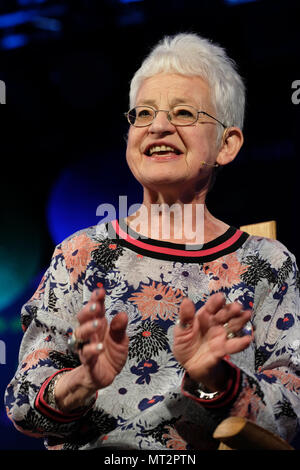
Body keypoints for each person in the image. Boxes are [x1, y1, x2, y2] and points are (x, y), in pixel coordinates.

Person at [5, 33, 300, 450]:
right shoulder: (80, 255)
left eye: (182, 113)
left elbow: (288, 417)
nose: (159, 126)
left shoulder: (266, 262)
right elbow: (22, 407)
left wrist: (218, 380)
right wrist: (82, 380)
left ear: (227, 144)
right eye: (143, 114)